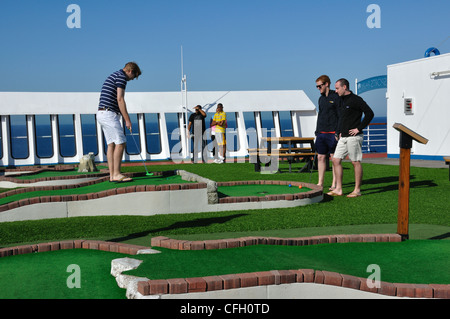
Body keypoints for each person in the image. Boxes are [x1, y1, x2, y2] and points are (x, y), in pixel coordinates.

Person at [97, 62, 142, 182]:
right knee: (121, 142)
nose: (132, 79)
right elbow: (120, 99)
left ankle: (112, 175)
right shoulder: (122, 77)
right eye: (134, 76)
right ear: (131, 71)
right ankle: (116, 174)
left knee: (111, 144)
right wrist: (127, 120)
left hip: (101, 113)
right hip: (108, 114)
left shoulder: (114, 75)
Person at [329, 78, 374, 197]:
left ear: (345, 87)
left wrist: (359, 128)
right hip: (343, 137)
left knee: (355, 162)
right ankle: (338, 189)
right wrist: (338, 132)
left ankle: (357, 190)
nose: (336, 90)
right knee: (335, 160)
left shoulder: (356, 100)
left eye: (337, 88)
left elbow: (370, 113)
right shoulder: (340, 100)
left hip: (354, 137)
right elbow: (341, 118)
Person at [314, 75, 341, 190]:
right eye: (317, 86)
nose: (318, 88)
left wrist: (338, 132)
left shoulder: (336, 97)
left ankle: (334, 183)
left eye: (320, 86)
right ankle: (320, 182)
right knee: (320, 157)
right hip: (321, 133)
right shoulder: (321, 99)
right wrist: (317, 131)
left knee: (333, 158)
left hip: (333, 132)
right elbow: (320, 115)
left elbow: (340, 115)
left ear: (327, 84)